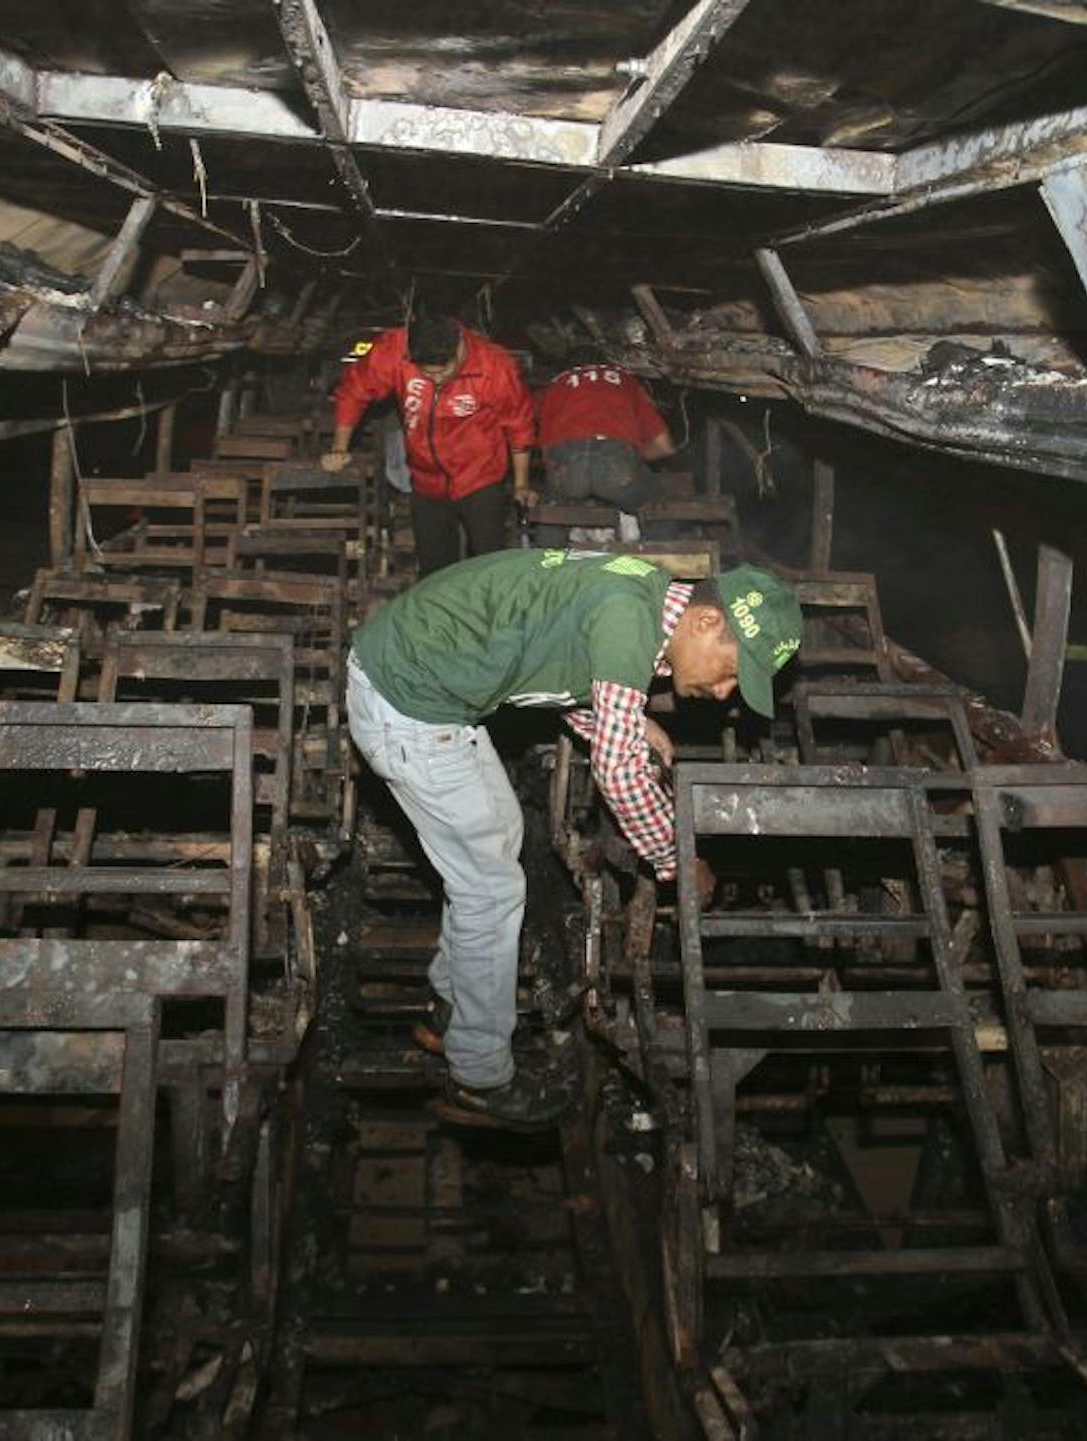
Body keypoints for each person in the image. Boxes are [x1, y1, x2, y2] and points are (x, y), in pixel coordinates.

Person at [347, 549, 803, 1129]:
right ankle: (479, 1077)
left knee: (500, 837)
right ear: (707, 621)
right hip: (407, 703)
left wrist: (628, 720)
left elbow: (558, 663)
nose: (723, 693)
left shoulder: (644, 595)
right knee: (490, 889)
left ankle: (451, 1004)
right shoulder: (626, 619)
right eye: (732, 671)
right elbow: (617, 773)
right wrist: (677, 860)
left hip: (419, 679)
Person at [323, 311, 533, 577]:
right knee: (434, 570)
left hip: (480, 476)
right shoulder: (394, 350)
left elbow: (519, 425)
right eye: (426, 373)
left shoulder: (494, 366)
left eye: (443, 371)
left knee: (488, 564)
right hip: (425, 479)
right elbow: (354, 391)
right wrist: (340, 448)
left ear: (458, 350)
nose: (436, 380)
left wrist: (521, 484)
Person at [533, 355, 676, 546]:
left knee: (552, 511)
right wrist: (632, 460)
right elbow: (665, 447)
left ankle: (546, 558)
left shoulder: (556, 386)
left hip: (570, 466)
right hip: (616, 462)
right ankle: (663, 558)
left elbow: (547, 455)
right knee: (657, 506)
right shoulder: (626, 381)